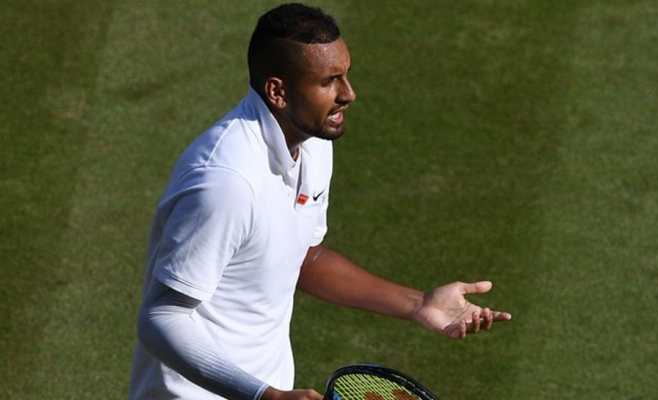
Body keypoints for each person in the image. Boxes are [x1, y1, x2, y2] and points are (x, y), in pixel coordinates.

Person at [128, 3, 511, 400]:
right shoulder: (226, 183)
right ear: (278, 91)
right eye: (330, 81)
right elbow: (161, 318)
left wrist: (418, 304)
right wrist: (264, 395)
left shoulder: (313, 143)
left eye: (346, 75)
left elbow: (303, 259)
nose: (349, 94)